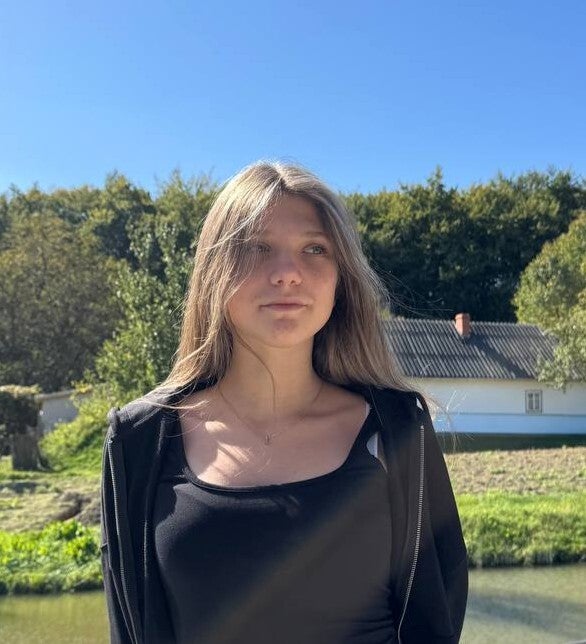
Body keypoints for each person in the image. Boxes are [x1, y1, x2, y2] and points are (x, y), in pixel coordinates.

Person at [100, 161, 468, 644]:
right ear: (214, 271)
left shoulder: (397, 430)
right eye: (257, 248)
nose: (289, 273)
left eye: (315, 249)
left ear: (340, 278)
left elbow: (435, 623)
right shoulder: (140, 441)